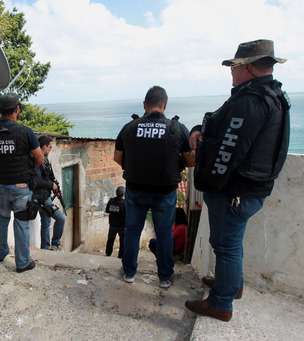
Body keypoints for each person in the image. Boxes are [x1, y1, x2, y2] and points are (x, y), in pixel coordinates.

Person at [185, 39, 290, 322]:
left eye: (236, 66)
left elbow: (228, 150)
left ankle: (221, 303)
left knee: (226, 245)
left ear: (251, 67)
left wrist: (207, 183)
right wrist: (199, 128)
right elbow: (222, 124)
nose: (232, 72)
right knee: (232, 242)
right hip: (250, 188)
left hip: (234, 190)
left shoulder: (251, 101)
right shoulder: (269, 94)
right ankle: (231, 285)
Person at [113, 86, 195, 288]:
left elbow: (117, 158)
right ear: (165, 105)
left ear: (144, 105)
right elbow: (191, 161)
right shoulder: (177, 128)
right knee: (164, 232)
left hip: (135, 189)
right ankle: (165, 277)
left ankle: (129, 273)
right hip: (165, 192)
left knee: (132, 231)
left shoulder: (130, 127)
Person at [0, 93, 44, 273]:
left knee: (2, 219)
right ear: (17, 110)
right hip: (20, 187)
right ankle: (22, 263)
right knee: (21, 222)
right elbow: (39, 159)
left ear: (0, 111)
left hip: (0, 185)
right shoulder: (26, 132)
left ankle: (1, 253)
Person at [33, 135, 66, 251]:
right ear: (44, 147)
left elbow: (47, 177)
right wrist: (51, 185)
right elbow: (37, 181)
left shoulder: (44, 159)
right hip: (41, 197)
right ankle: (56, 244)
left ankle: (45, 249)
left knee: (46, 224)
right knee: (61, 218)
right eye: (50, 147)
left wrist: (55, 188)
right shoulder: (37, 160)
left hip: (45, 195)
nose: (51, 149)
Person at [105, 186, 126, 258]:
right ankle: (120, 256)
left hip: (112, 225)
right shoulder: (124, 203)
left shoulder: (111, 201)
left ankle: (108, 253)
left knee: (110, 240)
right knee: (122, 242)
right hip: (121, 226)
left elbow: (107, 210)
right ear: (123, 194)